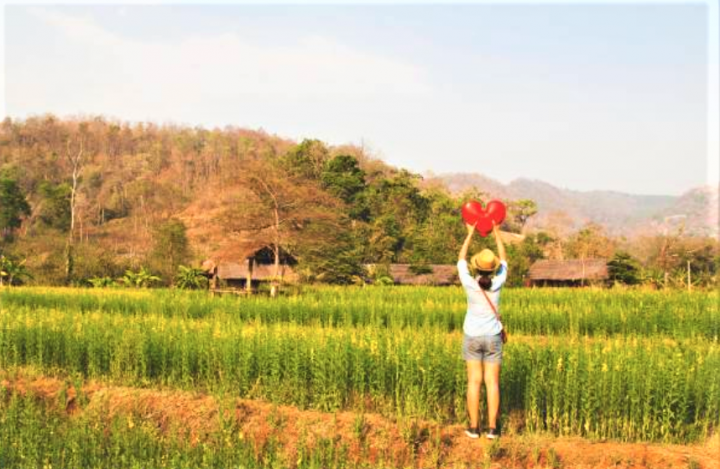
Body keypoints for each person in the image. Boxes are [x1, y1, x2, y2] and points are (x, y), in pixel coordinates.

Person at [457, 221, 507, 440]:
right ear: (492, 268)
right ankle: (493, 429)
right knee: (492, 383)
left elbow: (460, 260)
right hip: (493, 338)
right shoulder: (498, 283)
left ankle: (474, 428)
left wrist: (469, 234)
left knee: (474, 382)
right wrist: (496, 231)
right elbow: (504, 259)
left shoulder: (469, 283)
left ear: (476, 267)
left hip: (472, 337)